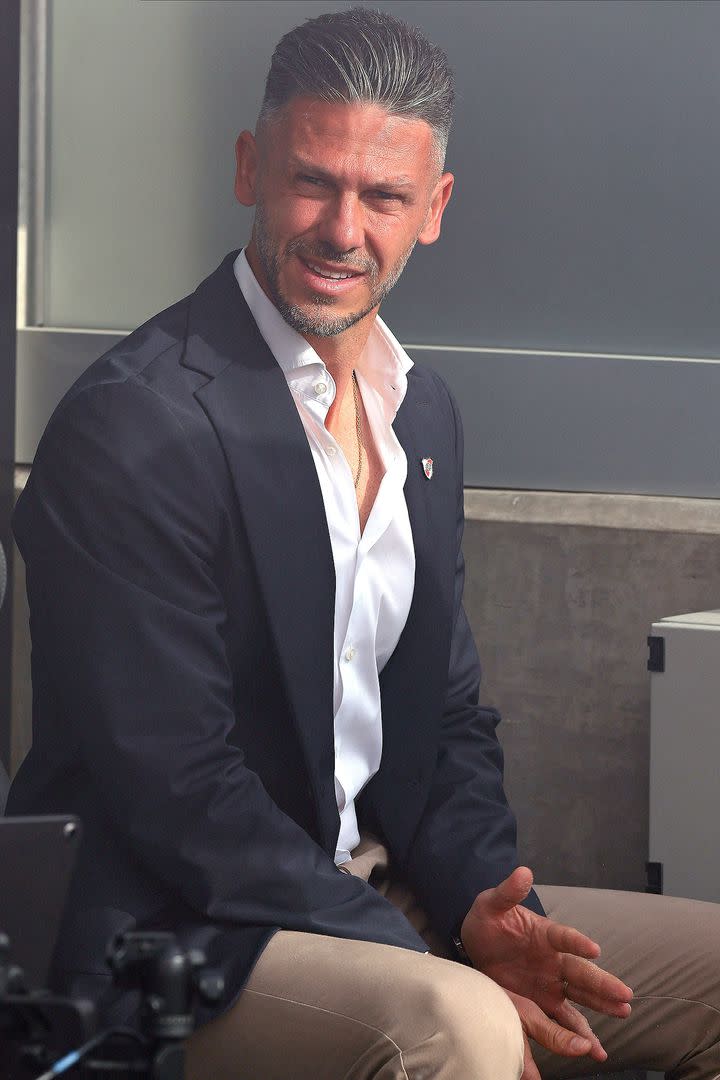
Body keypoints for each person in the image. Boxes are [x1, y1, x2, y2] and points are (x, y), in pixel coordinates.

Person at [7, 7, 720, 1079]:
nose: (344, 228)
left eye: (383, 195)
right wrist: (428, 956)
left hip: (378, 892)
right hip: (182, 934)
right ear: (250, 166)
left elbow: (442, 716)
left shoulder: (419, 414)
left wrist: (483, 905)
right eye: (313, 180)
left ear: (433, 209)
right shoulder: (138, 427)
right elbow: (178, 791)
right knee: (458, 1028)